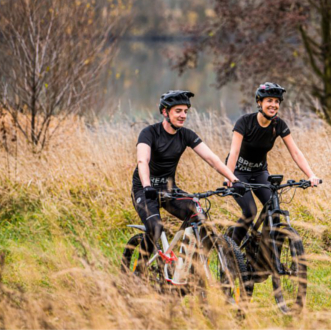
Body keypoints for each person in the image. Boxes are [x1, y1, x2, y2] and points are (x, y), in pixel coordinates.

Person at [132, 90, 243, 262]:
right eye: (178, 111)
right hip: (145, 190)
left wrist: (234, 180)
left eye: (185, 111)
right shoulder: (149, 133)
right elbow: (142, 161)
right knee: (155, 229)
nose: (183, 115)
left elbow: (211, 159)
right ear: (165, 112)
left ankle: (189, 268)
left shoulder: (186, 135)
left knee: (200, 217)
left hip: (170, 190)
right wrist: (147, 186)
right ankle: (138, 271)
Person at [225, 82, 320, 245]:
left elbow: (295, 152)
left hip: (260, 172)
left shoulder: (278, 125)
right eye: (269, 100)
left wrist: (311, 175)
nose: (274, 105)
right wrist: (229, 176)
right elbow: (233, 152)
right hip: (238, 172)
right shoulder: (245, 122)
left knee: (274, 211)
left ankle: (266, 254)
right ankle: (231, 251)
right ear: (259, 102)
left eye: (277, 101)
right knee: (249, 211)